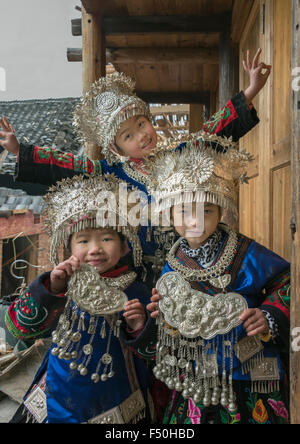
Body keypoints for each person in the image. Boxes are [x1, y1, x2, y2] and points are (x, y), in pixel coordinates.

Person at [0, 49, 271, 285]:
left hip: (193, 253)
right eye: (128, 135)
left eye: (141, 124)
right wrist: (20, 151)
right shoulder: (109, 173)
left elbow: (213, 132)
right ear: (116, 148)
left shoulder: (180, 153)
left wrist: (251, 90)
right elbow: (67, 165)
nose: (141, 135)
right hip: (140, 266)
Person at [138, 137, 290, 424]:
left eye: (206, 210)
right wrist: (166, 316)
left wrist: (268, 316)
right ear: (170, 213)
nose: (194, 220)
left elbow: (288, 281)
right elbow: (175, 319)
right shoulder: (173, 260)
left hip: (248, 368)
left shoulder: (246, 252)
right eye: (184, 210)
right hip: (198, 375)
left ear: (222, 211)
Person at [5, 174, 155, 424]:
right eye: (83, 240)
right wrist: (50, 289)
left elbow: (154, 354)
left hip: (114, 398)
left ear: (124, 246)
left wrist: (140, 327)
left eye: (106, 238)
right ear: (69, 247)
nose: (95, 249)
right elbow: (21, 328)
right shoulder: (61, 285)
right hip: (55, 393)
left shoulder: (137, 292)